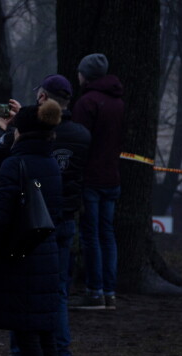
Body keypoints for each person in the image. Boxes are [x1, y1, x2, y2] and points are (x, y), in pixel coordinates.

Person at [0, 75, 91, 356]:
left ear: (42, 97)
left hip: (29, 225)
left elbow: (2, 157)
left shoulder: (32, 141)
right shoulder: (81, 135)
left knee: (25, 293)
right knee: (55, 293)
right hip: (63, 219)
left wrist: (9, 129)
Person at [0, 100, 63, 356]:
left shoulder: (15, 165)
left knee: (28, 335)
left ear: (20, 132)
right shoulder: (51, 163)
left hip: (21, 257)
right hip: (47, 255)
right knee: (45, 334)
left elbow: (0, 217)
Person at [70, 53, 125, 311]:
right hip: (112, 177)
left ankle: (95, 292)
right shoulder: (118, 103)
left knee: (90, 236)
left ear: (86, 75)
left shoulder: (86, 102)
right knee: (107, 235)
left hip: (91, 179)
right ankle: (110, 292)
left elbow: (80, 142)